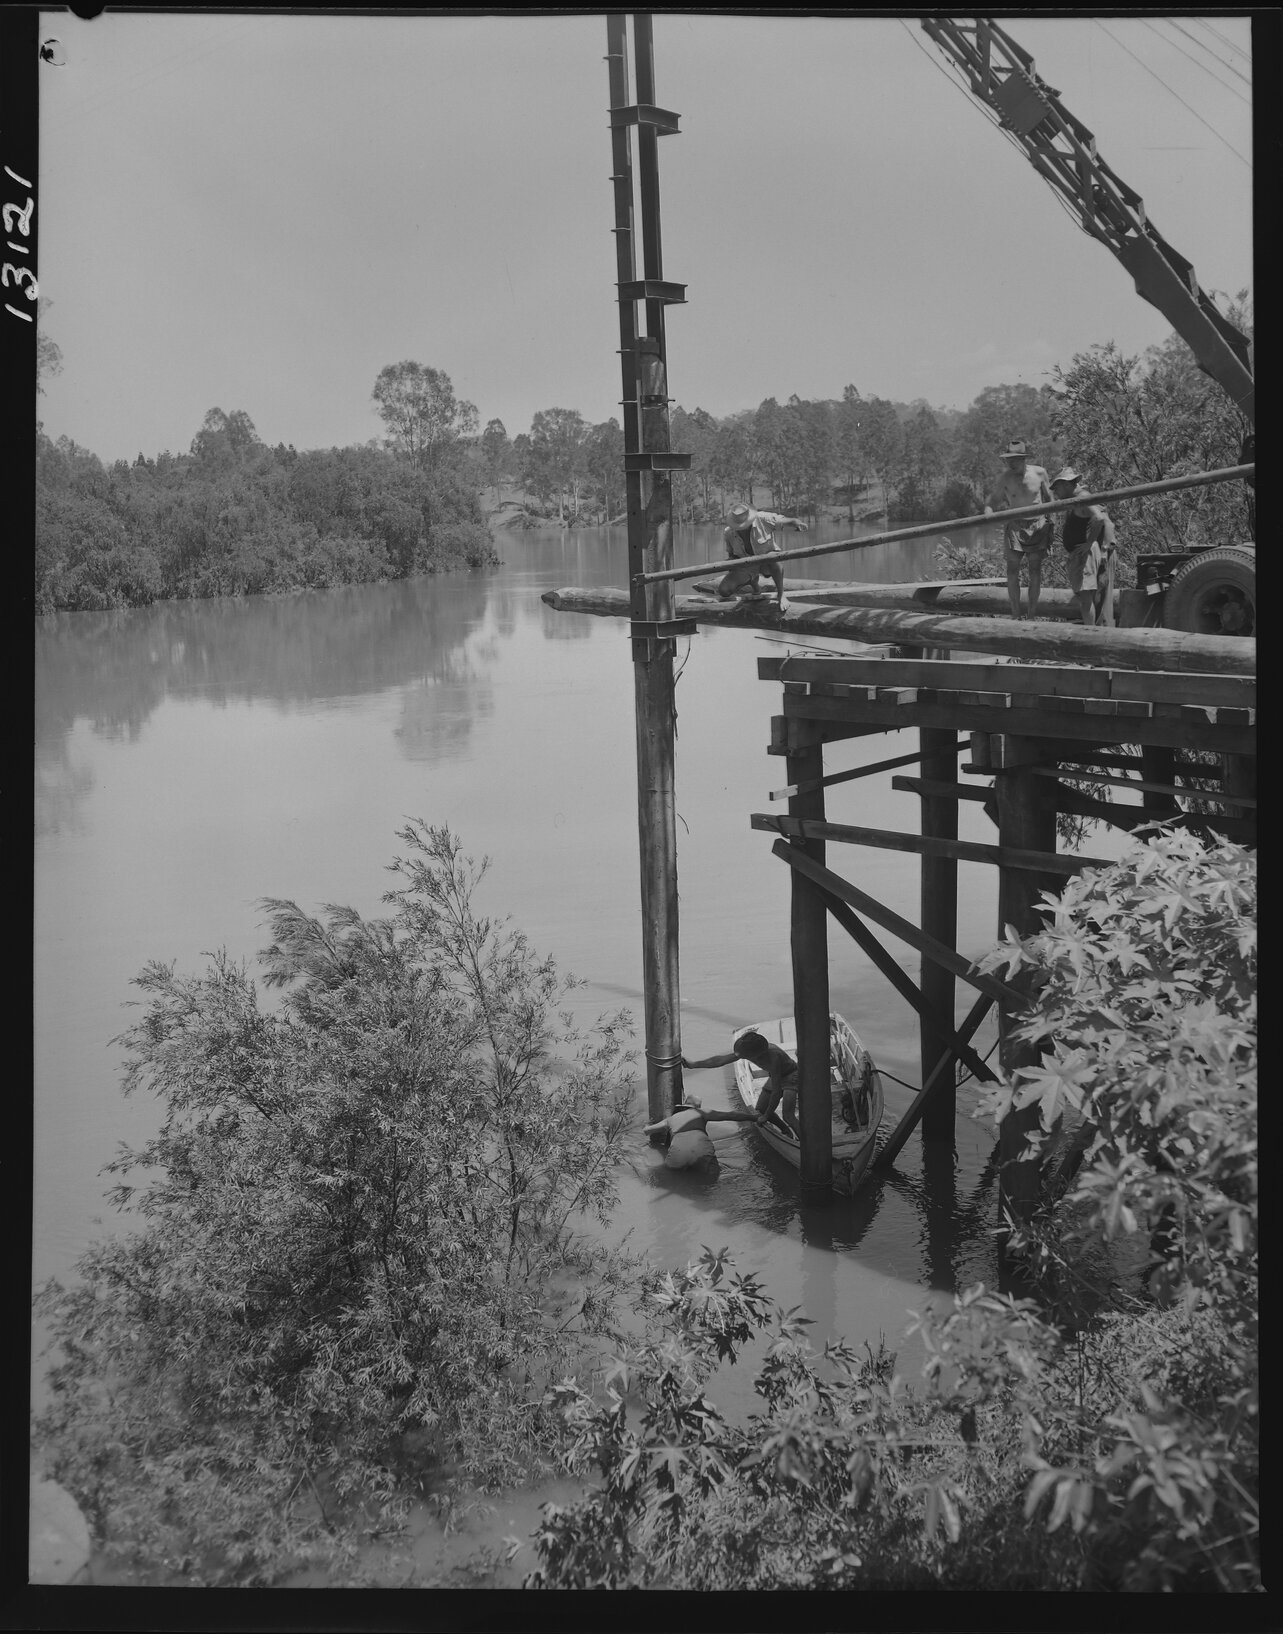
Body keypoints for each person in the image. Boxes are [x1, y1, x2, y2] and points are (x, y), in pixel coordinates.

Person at [984, 439, 1054, 620]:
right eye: (1008, 459)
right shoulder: (1005, 478)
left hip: (1038, 525)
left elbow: (1050, 499)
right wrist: (988, 512)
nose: (1011, 463)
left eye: (1014, 459)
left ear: (1023, 459)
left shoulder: (1039, 473)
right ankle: (1016, 615)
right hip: (1015, 526)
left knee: (1035, 570)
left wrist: (1050, 523)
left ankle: (1031, 615)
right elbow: (993, 501)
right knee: (1012, 570)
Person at [682, 1030, 800, 1137]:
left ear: (758, 1054)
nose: (740, 1057)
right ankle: (785, 1130)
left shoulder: (773, 1056)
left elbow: (776, 1091)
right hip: (774, 1076)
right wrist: (693, 1065)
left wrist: (766, 1117)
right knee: (760, 1110)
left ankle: (805, 1144)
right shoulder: (746, 1051)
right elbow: (720, 1060)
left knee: (788, 1116)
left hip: (791, 1076)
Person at [1051, 466, 1117, 627]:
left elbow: (1099, 518)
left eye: (1057, 487)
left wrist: (1089, 543)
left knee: (1086, 597)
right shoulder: (1076, 499)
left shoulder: (1082, 498)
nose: (1055, 492)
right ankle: (1092, 630)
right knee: (1086, 597)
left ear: (1066, 484)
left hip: (1085, 554)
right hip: (1081, 553)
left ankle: (1090, 633)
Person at [717, 503, 808, 613]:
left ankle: (781, 594)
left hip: (767, 563)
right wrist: (730, 564)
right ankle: (753, 582)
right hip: (747, 566)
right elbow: (732, 556)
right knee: (724, 591)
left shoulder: (763, 518)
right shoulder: (728, 532)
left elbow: (787, 521)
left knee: (772, 557)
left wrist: (798, 524)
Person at [642, 1094, 761, 1170]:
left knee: (673, 1173)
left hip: (677, 1154)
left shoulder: (671, 1119)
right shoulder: (701, 1113)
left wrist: (646, 1123)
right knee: (711, 1174)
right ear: (697, 1107)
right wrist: (754, 1117)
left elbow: (647, 1131)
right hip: (701, 1149)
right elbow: (731, 1115)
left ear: (684, 1106)